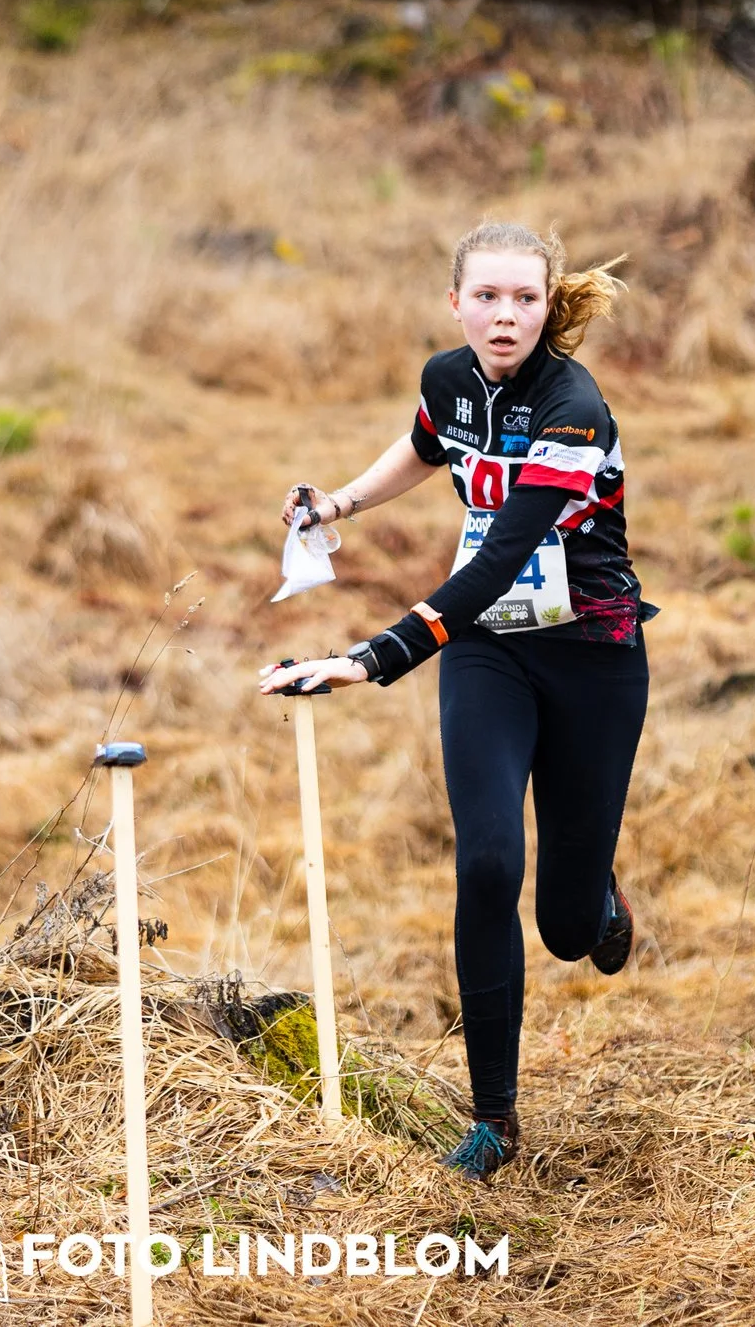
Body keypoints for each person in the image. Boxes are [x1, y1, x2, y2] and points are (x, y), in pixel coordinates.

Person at [259, 222, 655, 1184]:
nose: (505, 314)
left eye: (524, 297)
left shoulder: (574, 407)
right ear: (457, 304)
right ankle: (495, 1120)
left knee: (563, 925)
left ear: (549, 300)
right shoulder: (451, 378)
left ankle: (597, 896)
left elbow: (502, 555)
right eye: (487, 297)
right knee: (484, 863)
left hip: (591, 658)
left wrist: (374, 657)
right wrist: (339, 504)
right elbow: (427, 443)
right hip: (487, 656)